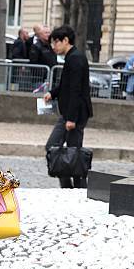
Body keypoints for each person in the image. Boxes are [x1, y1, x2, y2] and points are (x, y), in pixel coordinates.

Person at [44, 24, 93, 188]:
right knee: (55, 147)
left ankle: (79, 187)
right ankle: (68, 185)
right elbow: (66, 85)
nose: (53, 46)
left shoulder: (76, 58)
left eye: (55, 42)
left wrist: (71, 118)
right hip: (68, 113)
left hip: (75, 114)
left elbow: (76, 91)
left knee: (73, 151)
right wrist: (53, 93)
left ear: (65, 40)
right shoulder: (72, 57)